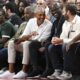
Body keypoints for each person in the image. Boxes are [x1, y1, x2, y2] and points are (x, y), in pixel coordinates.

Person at [0, 6, 52, 79]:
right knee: (11, 43)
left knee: (28, 43)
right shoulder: (31, 21)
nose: (42, 17)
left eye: (43, 14)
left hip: (38, 45)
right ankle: (10, 71)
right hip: (28, 43)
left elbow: (41, 39)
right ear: (35, 15)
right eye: (39, 15)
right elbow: (24, 35)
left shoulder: (49, 24)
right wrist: (28, 36)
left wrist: (28, 38)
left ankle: (24, 71)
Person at [47, 3, 80, 80]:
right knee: (52, 47)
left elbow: (78, 38)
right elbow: (63, 37)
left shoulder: (79, 21)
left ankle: (67, 72)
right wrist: (56, 40)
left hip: (76, 44)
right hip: (67, 43)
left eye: (63, 11)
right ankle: (58, 70)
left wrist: (63, 41)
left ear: (68, 12)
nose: (62, 13)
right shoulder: (65, 22)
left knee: (66, 45)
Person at [0, 6, 34, 74]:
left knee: (3, 52)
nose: (25, 15)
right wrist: (10, 41)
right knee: (10, 44)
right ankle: (10, 71)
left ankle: (23, 71)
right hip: (18, 43)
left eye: (27, 13)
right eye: (24, 13)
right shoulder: (23, 24)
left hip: (27, 43)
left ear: (33, 14)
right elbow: (16, 36)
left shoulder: (34, 24)